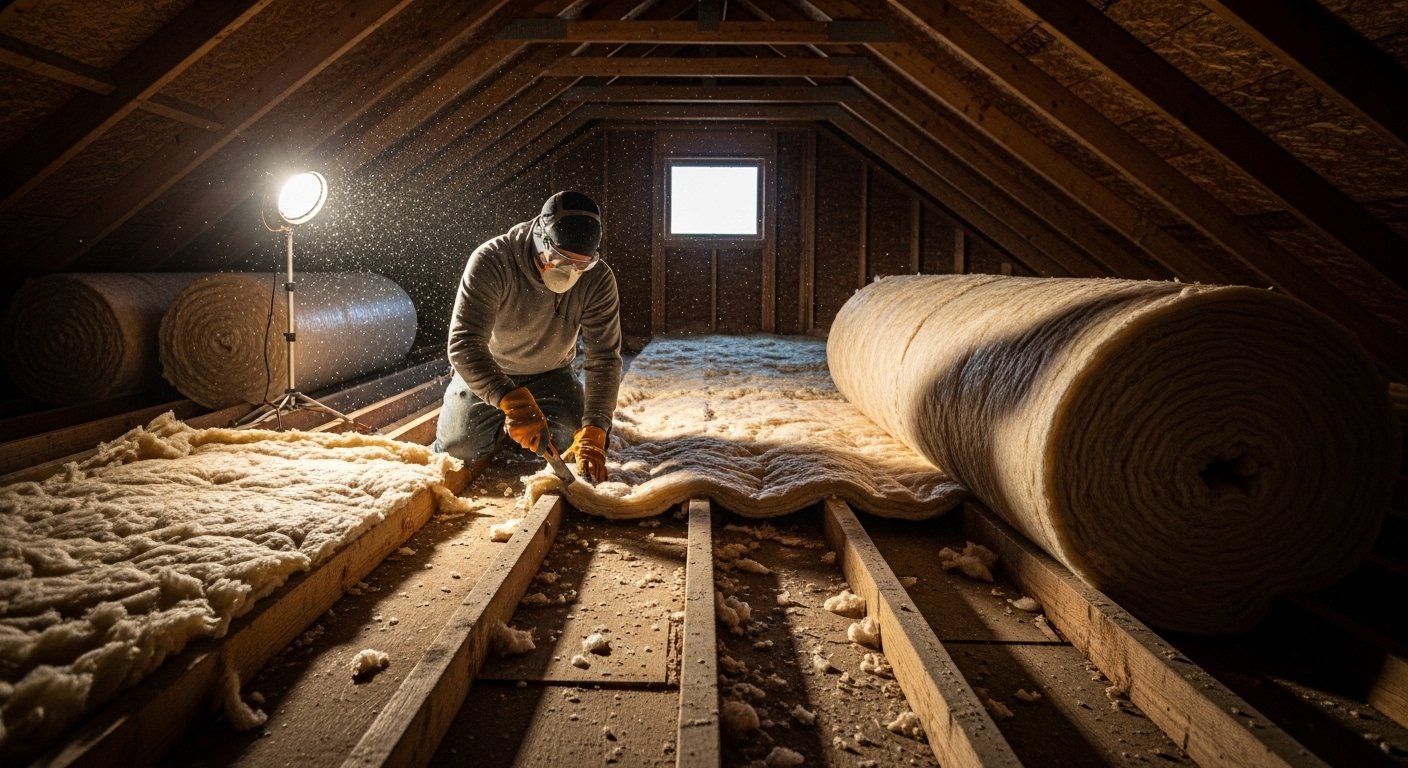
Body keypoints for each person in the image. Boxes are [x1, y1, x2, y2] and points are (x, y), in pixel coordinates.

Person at [433, 191, 621, 483]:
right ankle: (500, 425)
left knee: (565, 443)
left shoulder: (598, 279)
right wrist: (512, 402)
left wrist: (595, 429)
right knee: (458, 450)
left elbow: (604, 359)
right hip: (490, 372)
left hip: (553, 374)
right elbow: (463, 343)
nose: (570, 272)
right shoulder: (493, 260)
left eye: (580, 265)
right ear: (541, 238)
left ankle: (514, 433)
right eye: (561, 259)